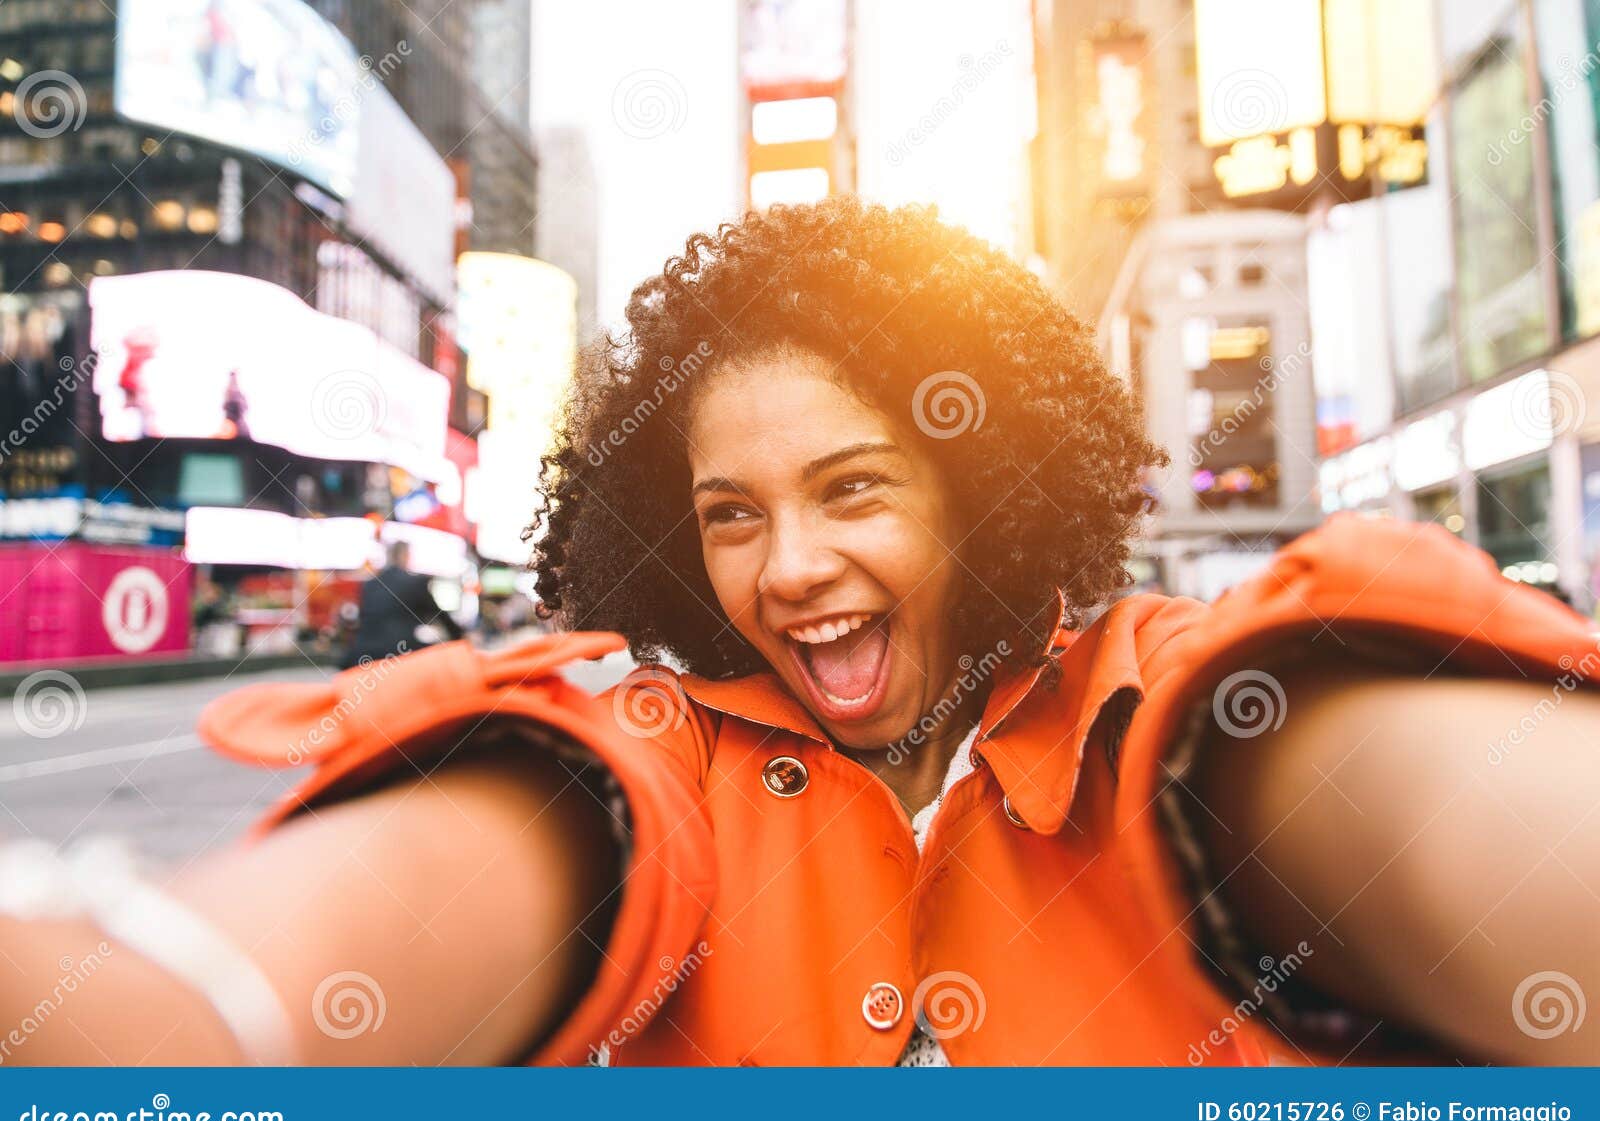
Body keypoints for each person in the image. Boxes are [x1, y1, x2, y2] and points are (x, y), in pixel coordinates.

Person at [0, 199, 1595, 1067]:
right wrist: (178, 1012)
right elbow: (490, 860)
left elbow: (1383, 789)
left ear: (980, 491)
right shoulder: (650, 755)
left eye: (853, 490)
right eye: (732, 511)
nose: (792, 566)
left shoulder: (1180, 705)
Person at [340, 540, 463, 669]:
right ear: (406, 556)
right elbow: (439, 615)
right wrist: (459, 637)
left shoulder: (369, 585)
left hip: (362, 654)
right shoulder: (416, 583)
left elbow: (361, 620)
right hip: (400, 652)